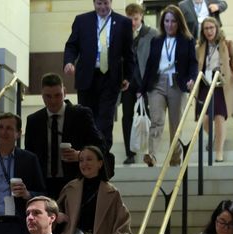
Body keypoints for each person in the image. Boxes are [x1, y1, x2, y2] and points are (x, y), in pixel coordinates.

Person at [63, 0, 134, 152]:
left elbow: (129, 53)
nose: (103, 7)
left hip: (111, 78)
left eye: (106, 3)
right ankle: (87, 154)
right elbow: (72, 45)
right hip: (87, 77)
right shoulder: (82, 20)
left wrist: (127, 76)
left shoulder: (123, 23)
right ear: (94, 3)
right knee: (87, 118)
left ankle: (102, 155)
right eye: (99, 3)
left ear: (111, 2)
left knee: (105, 119)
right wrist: (69, 62)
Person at [24, 73, 106, 200]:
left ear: (65, 92)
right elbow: (30, 156)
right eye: (48, 96)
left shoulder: (81, 115)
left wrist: (80, 155)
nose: (53, 101)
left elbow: (100, 146)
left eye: (58, 95)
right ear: (42, 95)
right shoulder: (34, 120)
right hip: (44, 184)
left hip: (76, 182)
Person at [139, 4, 198, 167]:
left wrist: (192, 79)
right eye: (166, 21)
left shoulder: (187, 40)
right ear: (162, 22)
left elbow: (193, 63)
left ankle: (174, 159)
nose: (169, 25)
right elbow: (150, 64)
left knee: (175, 125)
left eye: (173, 21)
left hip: (177, 84)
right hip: (157, 83)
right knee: (157, 119)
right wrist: (141, 89)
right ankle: (151, 155)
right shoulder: (156, 40)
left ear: (179, 23)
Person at [195, 16, 233, 162]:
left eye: (211, 28)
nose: (209, 31)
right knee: (204, 119)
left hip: (222, 85)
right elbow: (195, 67)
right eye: (206, 28)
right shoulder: (199, 47)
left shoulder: (227, 44)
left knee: (219, 117)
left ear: (217, 28)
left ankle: (219, 152)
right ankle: (216, 138)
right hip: (206, 85)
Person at [120, 3, 158, 165]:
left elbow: (155, 60)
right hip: (128, 82)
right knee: (127, 117)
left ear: (141, 16)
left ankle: (150, 152)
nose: (133, 22)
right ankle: (130, 153)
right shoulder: (121, 34)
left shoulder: (152, 34)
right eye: (130, 19)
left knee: (149, 117)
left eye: (135, 19)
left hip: (146, 81)